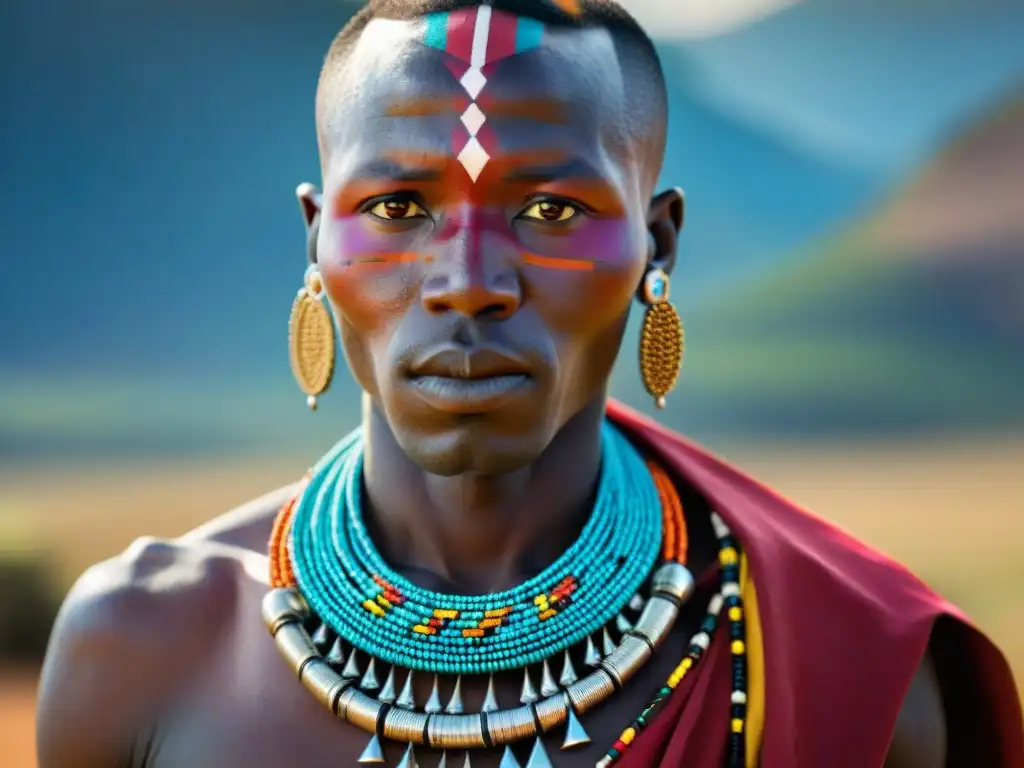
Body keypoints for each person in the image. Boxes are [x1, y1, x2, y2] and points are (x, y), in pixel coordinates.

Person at [36, 0, 1023, 766]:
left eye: (551, 208)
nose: (467, 282)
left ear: (655, 242)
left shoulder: (847, 672)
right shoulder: (142, 646)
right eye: (397, 205)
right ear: (315, 236)